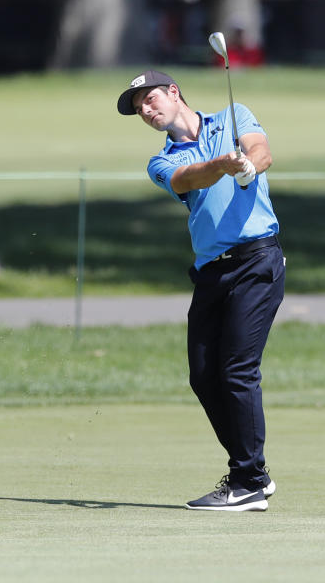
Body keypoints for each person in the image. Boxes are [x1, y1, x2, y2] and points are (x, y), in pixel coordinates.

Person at [117, 70, 284, 512]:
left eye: (150, 99)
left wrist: (250, 164)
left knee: (237, 369)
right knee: (203, 374)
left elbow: (262, 150)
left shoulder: (234, 115)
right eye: (140, 110)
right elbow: (191, 178)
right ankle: (255, 474)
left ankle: (247, 480)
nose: (147, 111)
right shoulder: (161, 161)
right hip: (212, 273)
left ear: (173, 92)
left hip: (256, 261)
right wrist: (226, 166)